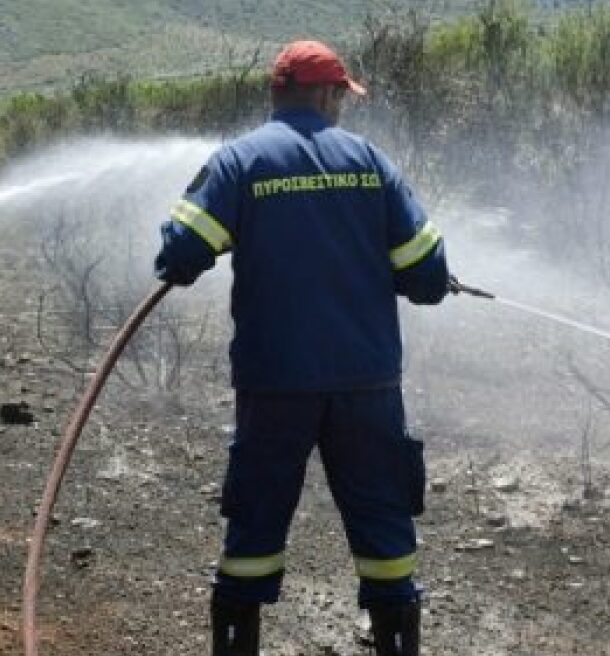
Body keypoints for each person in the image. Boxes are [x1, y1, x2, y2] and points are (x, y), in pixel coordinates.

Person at [153, 40, 450, 656]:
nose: (344, 105)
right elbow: (427, 277)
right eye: (343, 94)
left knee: (255, 528)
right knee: (384, 530)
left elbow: (179, 254)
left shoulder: (238, 163)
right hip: (366, 386)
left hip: (275, 384)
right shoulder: (370, 162)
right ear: (325, 93)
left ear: (276, 94)